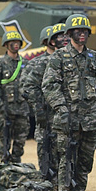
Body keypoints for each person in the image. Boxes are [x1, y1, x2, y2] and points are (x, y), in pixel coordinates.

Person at [42, 14, 96, 191]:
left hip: (90, 121)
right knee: (66, 160)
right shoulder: (59, 57)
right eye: (78, 31)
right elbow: (49, 85)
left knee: (85, 162)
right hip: (67, 120)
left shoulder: (94, 57)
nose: (82, 35)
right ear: (70, 34)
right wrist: (61, 107)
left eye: (85, 31)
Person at [21, 25, 57, 177]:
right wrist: (39, 108)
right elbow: (26, 88)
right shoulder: (37, 63)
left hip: (66, 117)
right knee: (46, 152)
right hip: (46, 117)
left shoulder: (67, 61)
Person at [0, 29, 31, 163]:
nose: (16, 44)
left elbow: (30, 85)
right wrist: (0, 106)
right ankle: (4, 168)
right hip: (5, 110)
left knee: (20, 142)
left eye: (18, 42)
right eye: (12, 42)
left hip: (22, 110)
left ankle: (16, 165)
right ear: (6, 45)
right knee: (4, 141)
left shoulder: (26, 64)